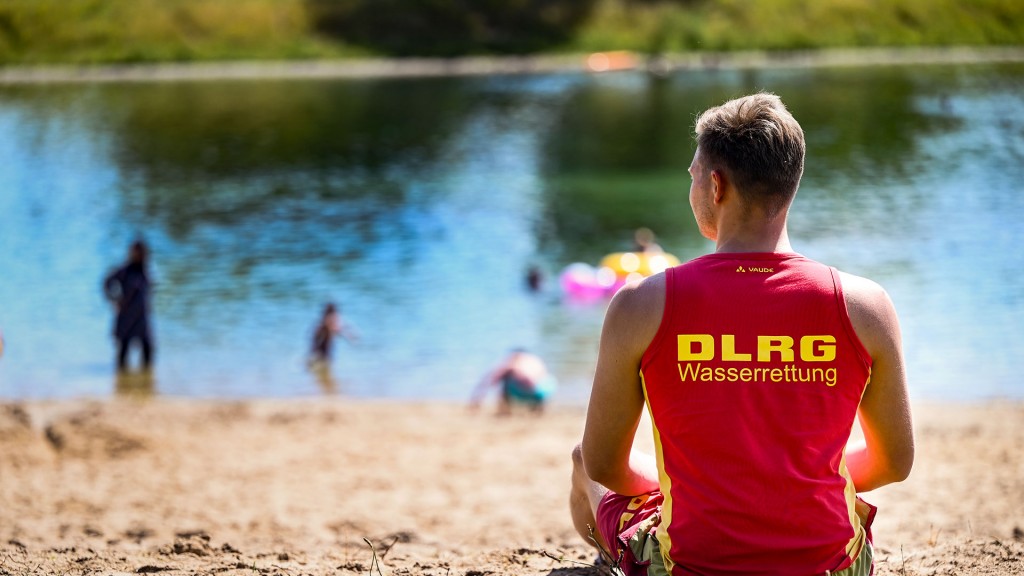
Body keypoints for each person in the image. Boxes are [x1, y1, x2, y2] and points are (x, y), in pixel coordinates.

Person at [569, 93, 914, 575]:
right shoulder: (865, 305)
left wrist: (684, 487)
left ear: (715, 185)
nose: (691, 187)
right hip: (830, 568)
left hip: (692, 566)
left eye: (692, 176)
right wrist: (788, 483)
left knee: (583, 461)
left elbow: (607, 465)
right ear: (790, 183)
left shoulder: (641, 304)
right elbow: (893, 463)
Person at [103, 239, 154, 371]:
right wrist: (115, 299)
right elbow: (107, 282)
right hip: (126, 317)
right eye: (136, 251)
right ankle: (121, 383)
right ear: (131, 253)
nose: (139, 254)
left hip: (141, 318)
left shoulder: (145, 270)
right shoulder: (125, 271)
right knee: (123, 352)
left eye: (142, 252)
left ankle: (146, 383)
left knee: (148, 349)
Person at [470, 348, 557, 415]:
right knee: (539, 380)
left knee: (506, 378)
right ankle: (537, 408)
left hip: (526, 391)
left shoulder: (514, 361)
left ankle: (504, 411)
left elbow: (490, 380)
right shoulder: (535, 359)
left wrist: (477, 400)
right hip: (545, 390)